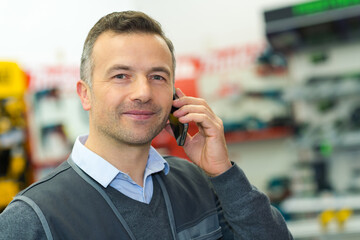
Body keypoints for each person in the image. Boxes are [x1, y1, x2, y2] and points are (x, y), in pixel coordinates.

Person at [0, 11, 293, 240]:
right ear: (85, 94)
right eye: (121, 76)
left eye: (158, 77)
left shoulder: (197, 183)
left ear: (176, 95)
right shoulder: (31, 218)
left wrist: (224, 174)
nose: (143, 92)